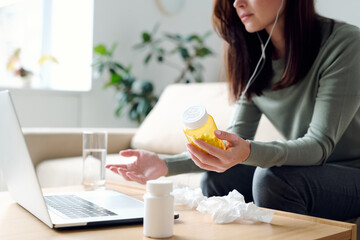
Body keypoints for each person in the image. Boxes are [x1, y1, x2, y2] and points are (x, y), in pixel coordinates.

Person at [106, 0, 360, 222]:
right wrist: (165, 164)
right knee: (217, 179)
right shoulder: (255, 57)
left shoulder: (344, 43)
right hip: (311, 171)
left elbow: (319, 146)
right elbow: (227, 145)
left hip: (352, 172)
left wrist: (248, 151)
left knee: (273, 179)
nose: (237, 3)